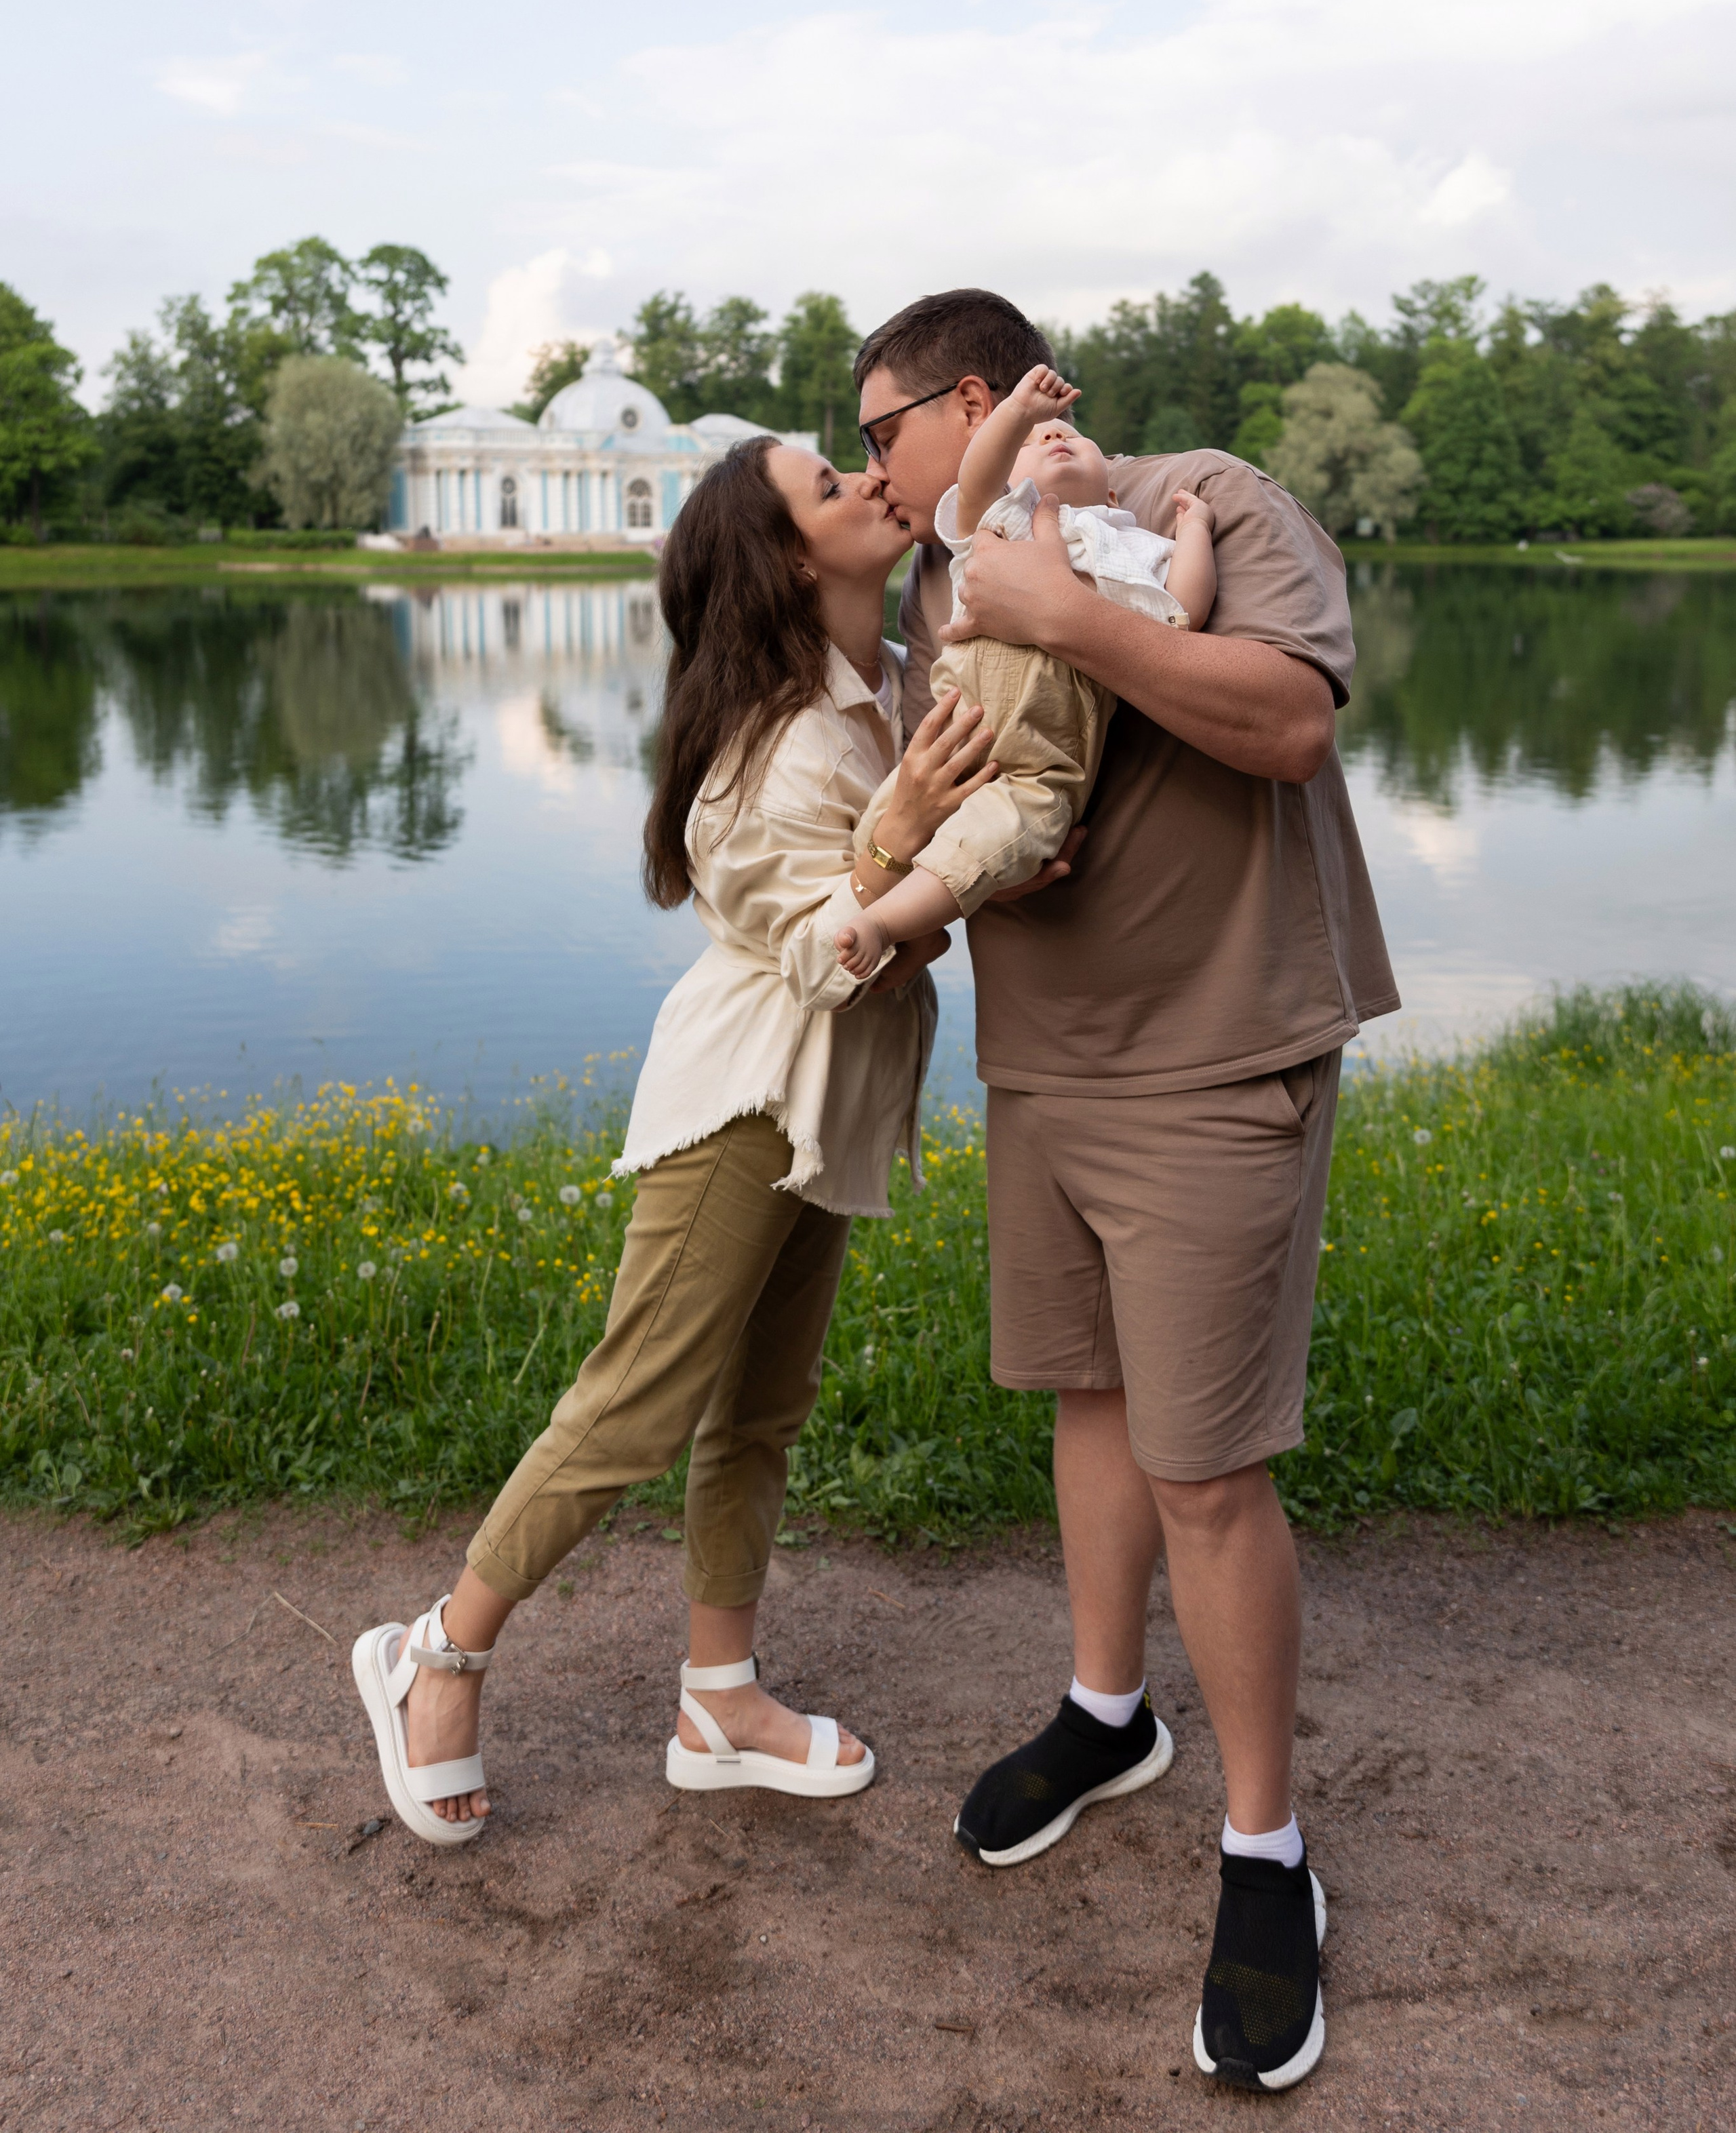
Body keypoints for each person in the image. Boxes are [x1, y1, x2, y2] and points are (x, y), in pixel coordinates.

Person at [854, 287, 1398, 2095]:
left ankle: (1267, 1853)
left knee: (1205, 1465)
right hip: (1047, 1058)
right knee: (1084, 1399)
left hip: (1216, 1051)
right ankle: (1109, 1716)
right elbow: (987, 780)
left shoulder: (1212, 499)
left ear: (984, 397)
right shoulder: (945, 583)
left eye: (883, 428)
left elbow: (1290, 723)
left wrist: (1075, 609)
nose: (874, 465)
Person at [352, 437, 995, 1846]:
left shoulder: (891, 680)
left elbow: (914, 908)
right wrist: (906, 850)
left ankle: (719, 1700)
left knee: (762, 1408)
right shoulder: (757, 759)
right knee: (635, 1403)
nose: (867, 484)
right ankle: (435, 1657)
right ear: (780, 558)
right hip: (746, 1105)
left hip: (826, 1108)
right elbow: (837, 962)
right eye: (831, 485)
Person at [835, 359, 1217, 977]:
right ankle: (903, 924)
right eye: (1037, 441)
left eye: (1071, 436)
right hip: (957, 741)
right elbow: (979, 473)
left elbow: (1183, 613)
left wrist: (1194, 532)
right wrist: (1017, 412)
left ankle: (885, 925)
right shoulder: (999, 522)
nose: (1056, 436)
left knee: (986, 845)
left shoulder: (1129, 546)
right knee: (884, 823)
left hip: (1041, 766)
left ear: (1113, 495)